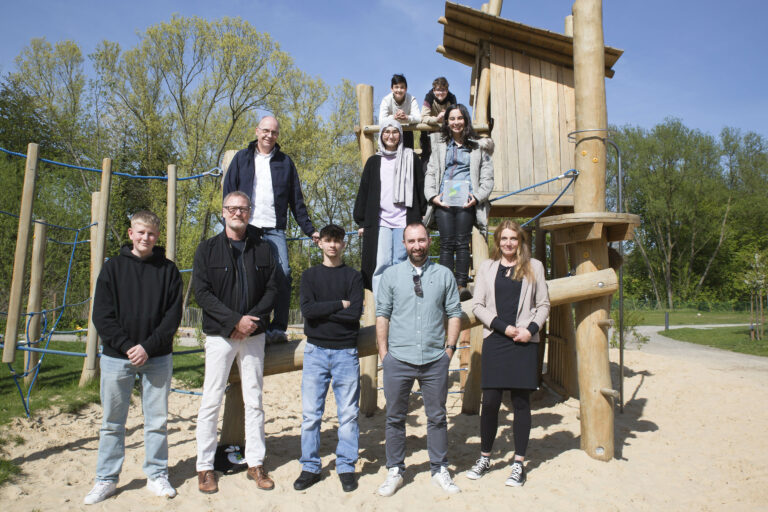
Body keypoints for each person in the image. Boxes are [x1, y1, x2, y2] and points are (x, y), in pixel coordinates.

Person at [84, 210, 182, 505]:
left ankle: (157, 474)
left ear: (157, 237)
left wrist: (148, 347)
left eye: (151, 234)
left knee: (156, 421)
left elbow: (172, 317)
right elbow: (102, 315)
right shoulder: (113, 268)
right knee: (113, 422)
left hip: (157, 356)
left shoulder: (168, 270)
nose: (145, 238)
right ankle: (106, 479)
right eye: (140, 232)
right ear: (131, 234)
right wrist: (127, 345)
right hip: (117, 356)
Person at [193, 191, 279, 493]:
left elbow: (273, 288)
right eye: (232, 208)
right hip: (221, 335)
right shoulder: (207, 250)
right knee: (210, 400)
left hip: (253, 334)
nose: (238, 213)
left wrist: (250, 320)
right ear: (223, 212)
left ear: (250, 212)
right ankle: (205, 467)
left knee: (254, 401)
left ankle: (255, 463)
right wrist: (233, 321)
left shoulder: (265, 249)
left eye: (243, 209)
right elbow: (201, 293)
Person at [375, 222, 463, 497]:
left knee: (437, 416)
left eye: (421, 240)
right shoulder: (391, 276)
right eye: (411, 241)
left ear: (429, 241)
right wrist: (384, 354)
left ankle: (439, 467)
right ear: (404, 244)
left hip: (435, 357)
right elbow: (382, 315)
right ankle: (395, 469)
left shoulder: (444, 274)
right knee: (395, 416)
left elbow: (454, 313)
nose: (417, 246)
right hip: (398, 358)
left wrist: (449, 350)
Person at [466, 220, 550, 487]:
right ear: (497, 241)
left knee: (521, 403)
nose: (509, 243)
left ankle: (518, 464)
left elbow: (544, 304)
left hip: (524, 341)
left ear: (520, 240)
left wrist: (531, 329)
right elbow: (478, 306)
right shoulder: (487, 268)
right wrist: (505, 327)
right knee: (489, 402)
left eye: (513, 238)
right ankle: (485, 457)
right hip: (497, 338)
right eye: (504, 238)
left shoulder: (534, 266)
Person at [223, 115, 319, 343]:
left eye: (274, 132)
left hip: (274, 228)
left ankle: (277, 327)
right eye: (265, 131)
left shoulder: (285, 162)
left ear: (278, 136)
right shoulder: (241, 159)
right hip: (247, 226)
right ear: (257, 131)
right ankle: (247, 324)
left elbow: (297, 201)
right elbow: (228, 191)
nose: (269, 135)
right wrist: (229, 222)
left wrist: (310, 230)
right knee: (246, 274)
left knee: (283, 273)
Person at [294, 224, 364, 493]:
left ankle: (346, 465)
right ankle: (310, 466)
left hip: (346, 351)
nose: (333, 245)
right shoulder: (310, 276)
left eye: (337, 241)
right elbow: (308, 312)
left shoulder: (353, 277)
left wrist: (329, 311)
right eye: (328, 240)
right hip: (316, 351)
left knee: (348, 414)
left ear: (344, 245)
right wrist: (339, 304)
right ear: (319, 243)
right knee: (311, 414)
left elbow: (354, 314)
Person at [424, 103, 494, 300]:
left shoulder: (479, 146)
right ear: (447, 122)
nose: (456, 122)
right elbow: (430, 172)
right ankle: (447, 286)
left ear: (466, 120)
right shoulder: (440, 146)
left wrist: (478, 197)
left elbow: (488, 178)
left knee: (463, 243)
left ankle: (461, 285)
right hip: (445, 199)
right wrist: (432, 196)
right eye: (452, 119)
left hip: (467, 199)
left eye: (459, 118)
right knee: (447, 243)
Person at [353, 119, 426, 298]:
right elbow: (364, 191)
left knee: (401, 262)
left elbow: (420, 187)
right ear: (382, 135)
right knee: (381, 264)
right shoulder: (373, 162)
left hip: (404, 220)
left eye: (395, 132)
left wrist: (422, 215)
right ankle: (383, 308)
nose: (390, 135)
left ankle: (402, 303)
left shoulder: (411, 158)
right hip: (380, 222)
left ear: (400, 135)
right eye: (387, 131)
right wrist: (361, 221)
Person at [419, 77, 457, 168]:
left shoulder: (452, 98)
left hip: (446, 133)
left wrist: (446, 117)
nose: (440, 93)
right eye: (438, 90)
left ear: (447, 90)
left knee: (446, 158)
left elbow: (455, 116)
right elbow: (423, 117)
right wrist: (436, 119)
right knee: (427, 159)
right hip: (428, 134)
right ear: (434, 90)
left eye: (443, 90)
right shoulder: (429, 97)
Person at [378, 74, 421, 149]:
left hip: (407, 132)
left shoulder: (412, 99)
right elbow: (381, 121)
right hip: (390, 132)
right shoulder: (386, 100)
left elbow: (418, 118)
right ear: (391, 88)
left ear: (406, 89)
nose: (399, 90)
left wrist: (407, 118)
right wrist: (394, 118)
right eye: (396, 87)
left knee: (408, 156)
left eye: (402, 87)